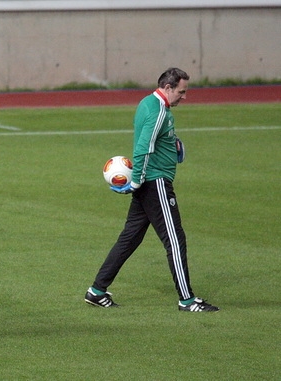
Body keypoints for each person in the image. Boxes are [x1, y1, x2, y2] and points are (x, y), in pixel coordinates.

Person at [85, 68, 219, 312]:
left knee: (129, 238)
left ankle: (97, 290)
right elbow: (143, 147)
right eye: (181, 91)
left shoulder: (149, 104)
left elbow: (157, 140)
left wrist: (175, 146)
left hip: (150, 183)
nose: (184, 97)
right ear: (168, 88)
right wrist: (136, 182)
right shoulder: (158, 110)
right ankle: (187, 300)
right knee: (175, 240)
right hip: (155, 184)